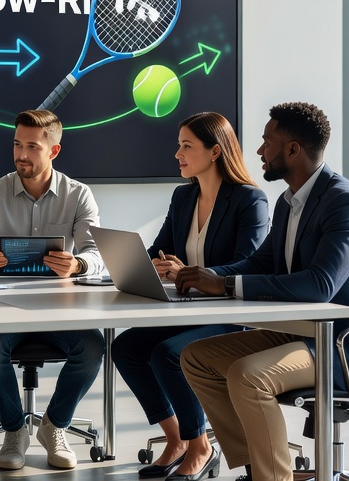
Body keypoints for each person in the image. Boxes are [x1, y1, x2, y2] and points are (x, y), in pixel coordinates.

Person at [175, 103, 349, 481]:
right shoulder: (288, 201)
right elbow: (261, 264)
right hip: (304, 331)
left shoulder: (345, 203)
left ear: (292, 150)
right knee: (197, 357)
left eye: (267, 141)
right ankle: (259, 468)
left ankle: (271, 477)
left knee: (248, 376)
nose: (260, 150)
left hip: (347, 346)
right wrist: (206, 275)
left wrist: (225, 285)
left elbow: (319, 285)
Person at [112, 112, 268, 481]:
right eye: (178, 145)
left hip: (230, 314)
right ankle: (177, 439)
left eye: (186, 146)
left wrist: (194, 275)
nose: (177, 154)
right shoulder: (184, 197)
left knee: (168, 354)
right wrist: (156, 264)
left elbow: (250, 264)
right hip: (188, 309)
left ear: (215, 152)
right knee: (126, 348)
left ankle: (201, 446)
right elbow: (159, 248)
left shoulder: (250, 200)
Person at [0, 109, 105, 470]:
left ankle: (54, 424)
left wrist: (78, 264)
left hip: (59, 309)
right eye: (17, 144)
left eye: (32, 147)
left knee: (92, 346)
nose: (21, 154)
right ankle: (14, 428)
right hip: (4, 307)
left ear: (53, 151)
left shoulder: (79, 195)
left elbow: (97, 253)